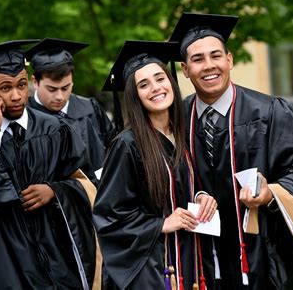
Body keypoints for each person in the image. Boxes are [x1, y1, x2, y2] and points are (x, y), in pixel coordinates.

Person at [169, 12, 293, 289]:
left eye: (216, 56)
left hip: (269, 257)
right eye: (198, 59)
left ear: (229, 60)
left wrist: (272, 194)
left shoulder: (271, 112)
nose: (209, 66)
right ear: (185, 69)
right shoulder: (178, 119)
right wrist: (195, 193)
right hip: (209, 260)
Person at [0, 40, 102, 289]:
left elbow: (87, 182)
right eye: (5, 88)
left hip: (52, 255)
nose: (16, 95)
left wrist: (54, 190)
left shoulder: (54, 128)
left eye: (21, 85)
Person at [93, 40, 217, 289]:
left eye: (160, 78)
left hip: (188, 258)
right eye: (143, 84)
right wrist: (160, 223)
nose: (155, 88)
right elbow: (109, 215)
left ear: (171, 82)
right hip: (150, 269)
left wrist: (203, 196)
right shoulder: (127, 145)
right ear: (135, 95)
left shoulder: (185, 133)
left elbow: (188, 183)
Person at [25, 38, 114, 176]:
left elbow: (112, 149)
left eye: (66, 87)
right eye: (52, 89)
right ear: (35, 82)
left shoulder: (89, 108)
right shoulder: (24, 115)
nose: (60, 96)